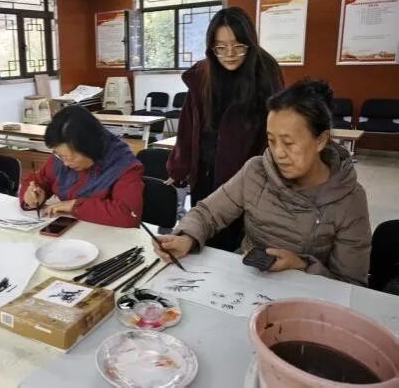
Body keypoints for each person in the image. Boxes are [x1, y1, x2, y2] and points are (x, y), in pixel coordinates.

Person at [153, 80, 372, 286]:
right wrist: (186, 237)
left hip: (307, 295)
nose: (278, 153)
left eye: (288, 143)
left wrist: (302, 265)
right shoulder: (256, 171)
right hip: (246, 281)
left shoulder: (349, 199)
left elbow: (351, 284)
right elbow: (208, 212)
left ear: (321, 140)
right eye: (271, 141)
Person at [166, 7, 284, 251]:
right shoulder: (202, 73)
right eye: (220, 47)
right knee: (203, 233)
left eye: (238, 46)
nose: (229, 54)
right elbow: (188, 125)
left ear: (250, 42)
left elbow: (276, 127)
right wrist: (178, 169)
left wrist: (273, 175)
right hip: (205, 168)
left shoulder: (266, 72)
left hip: (245, 171)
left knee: (237, 239)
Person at [20, 106, 144, 228]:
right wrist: (33, 196)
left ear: (90, 148)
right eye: (60, 156)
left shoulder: (124, 166)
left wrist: (74, 205)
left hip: (105, 234)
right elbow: (40, 180)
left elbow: (128, 214)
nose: (65, 163)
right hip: (72, 228)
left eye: (70, 157)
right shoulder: (62, 156)